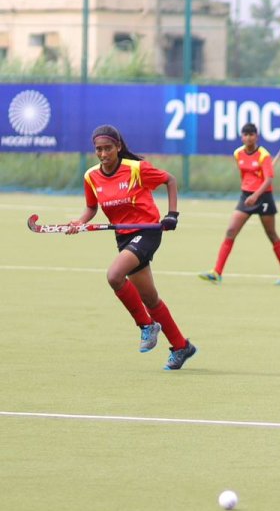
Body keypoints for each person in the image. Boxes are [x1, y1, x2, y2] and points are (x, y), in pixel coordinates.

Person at [67, 124, 197, 370]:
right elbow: (91, 208)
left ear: (118, 147)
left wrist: (172, 214)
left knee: (115, 275)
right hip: (123, 237)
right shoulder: (91, 176)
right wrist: (79, 222)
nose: (103, 154)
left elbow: (170, 179)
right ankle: (181, 346)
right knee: (150, 297)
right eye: (98, 149)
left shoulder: (136, 169)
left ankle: (146, 325)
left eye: (108, 148)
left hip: (147, 231)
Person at [199, 123, 280, 286]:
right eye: (245, 134)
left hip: (263, 197)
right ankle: (217, 273)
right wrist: (248, 192)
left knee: (271, 234)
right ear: (242, 137)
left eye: (251, 134)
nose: (248, 137)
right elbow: (245, 175)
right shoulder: (238, 153)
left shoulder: (264, 155)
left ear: (256, 136)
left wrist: (256, 195)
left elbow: (269, 179)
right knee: (230, 231)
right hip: (246, 197)